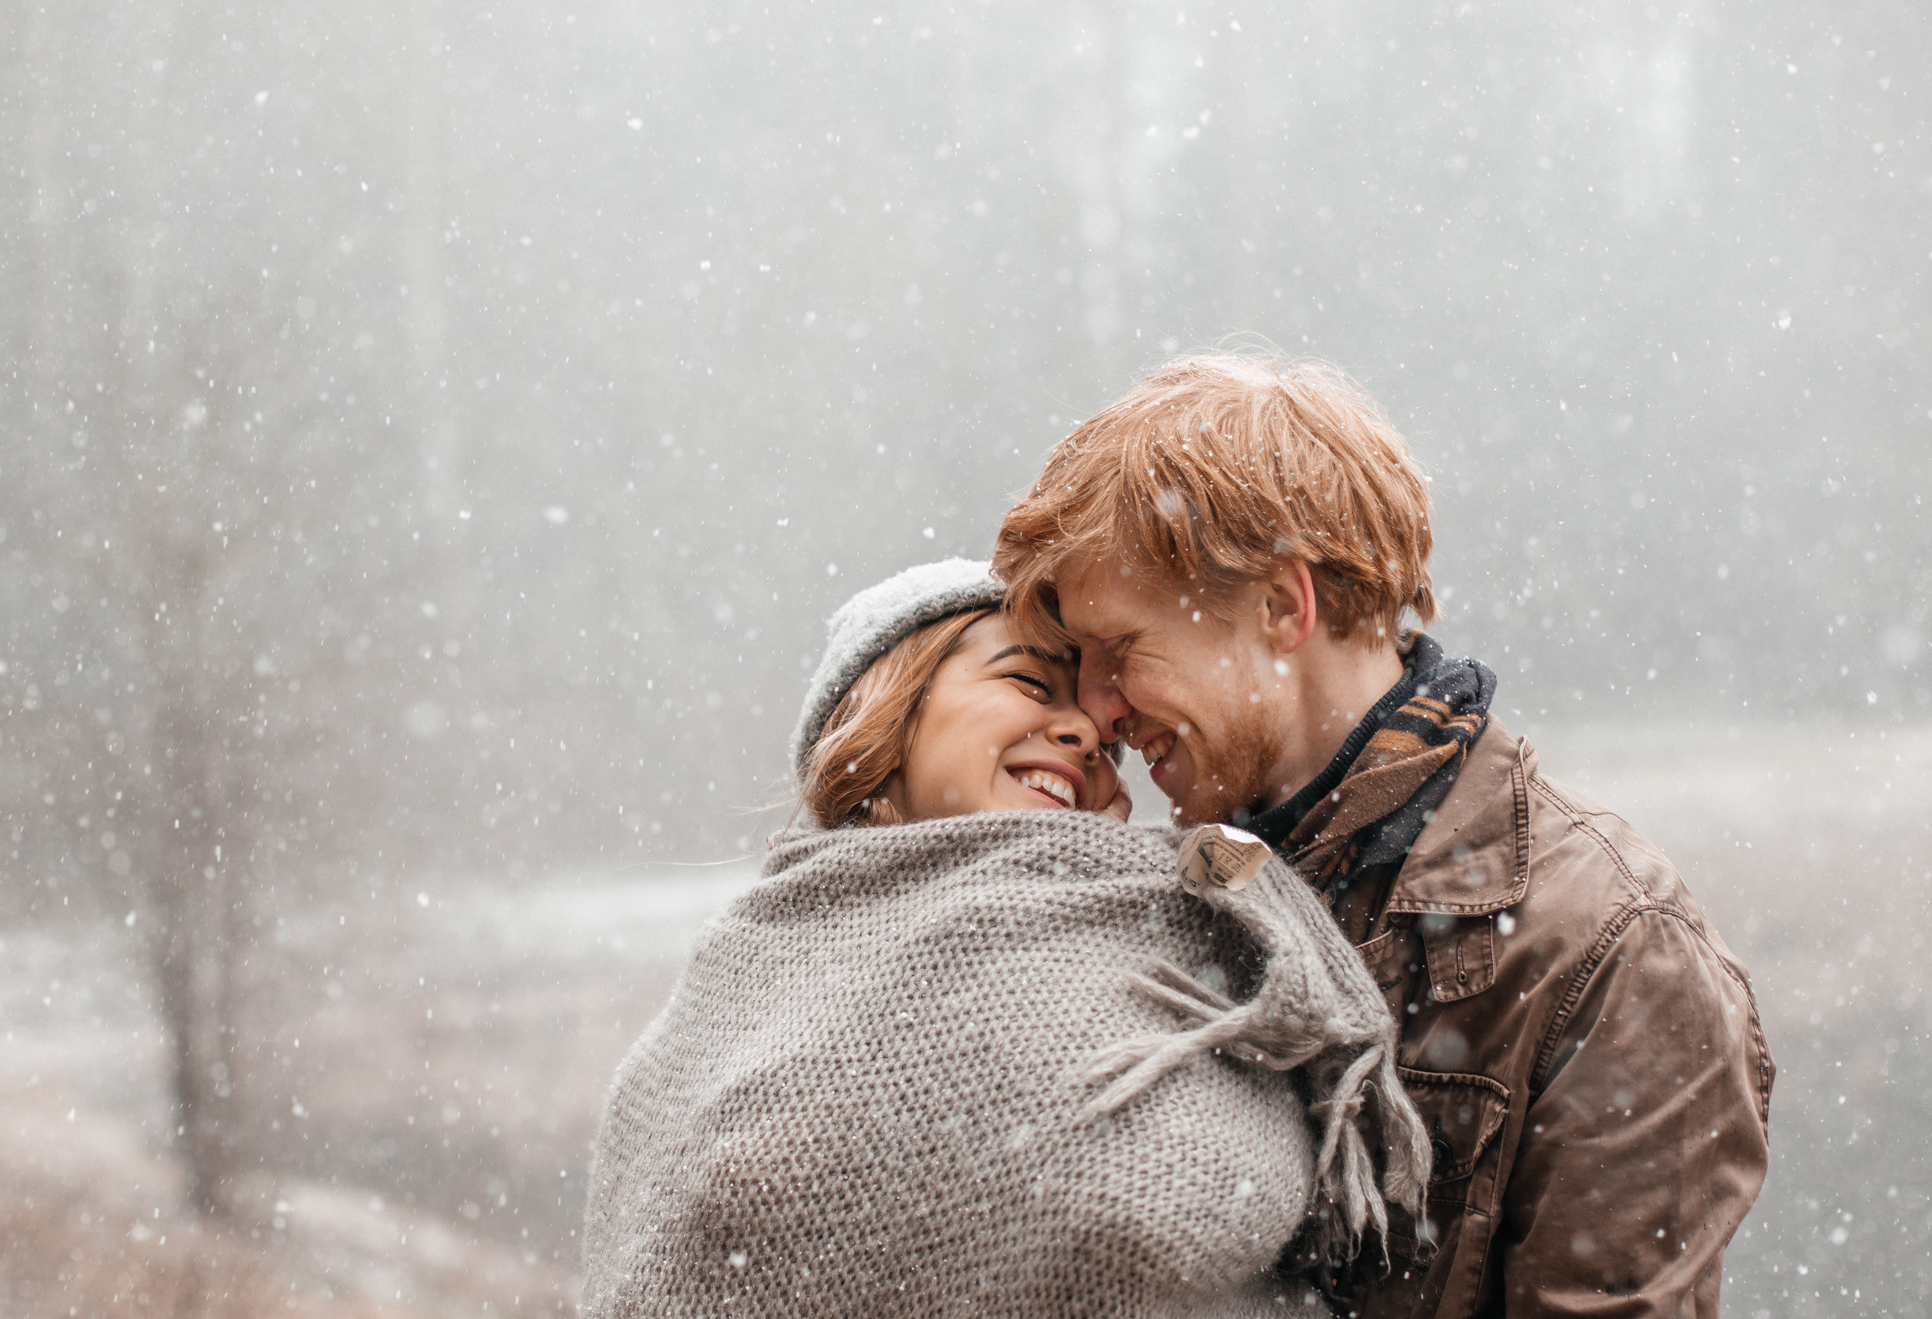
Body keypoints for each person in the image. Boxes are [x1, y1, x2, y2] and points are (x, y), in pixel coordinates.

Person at [994, 352, 1774, 1317]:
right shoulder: (1186, 890)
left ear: (1283, 604)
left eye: (1121, 650)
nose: (1099, 706)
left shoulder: (1608, 946)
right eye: (1077, 663)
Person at [582, 559, 1428, 1318]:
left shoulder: (1190, 908)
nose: (1089, 733)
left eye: (1106, 735)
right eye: (1029, 683)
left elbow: (1187, 1209)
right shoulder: (741, 984)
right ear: (887, 716)